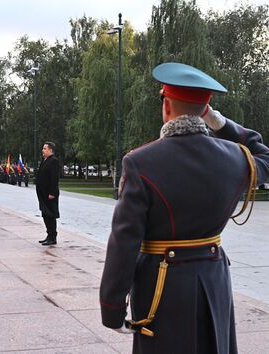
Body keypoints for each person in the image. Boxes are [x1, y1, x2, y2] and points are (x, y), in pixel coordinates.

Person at [99, 62, 269, 354]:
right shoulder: (234, 158)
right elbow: (263, 154)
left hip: (162, 287)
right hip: (214, 279)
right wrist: (221, 123)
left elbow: (124, 242)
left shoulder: (140, 162)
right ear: (206, 109)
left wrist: (112, 308)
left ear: (166, 106)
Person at [36, 142, 60, 246]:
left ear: (50, 150)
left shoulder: (54, 161)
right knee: (45, 215)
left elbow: (54, 179)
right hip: (43, 194)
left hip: (50, 194)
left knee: (50, 215)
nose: (43, 150)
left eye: (45, 148)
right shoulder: (45, 160)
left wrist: (52, 192)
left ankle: (53, 237)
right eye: (43, 148)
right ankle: (49, 235)